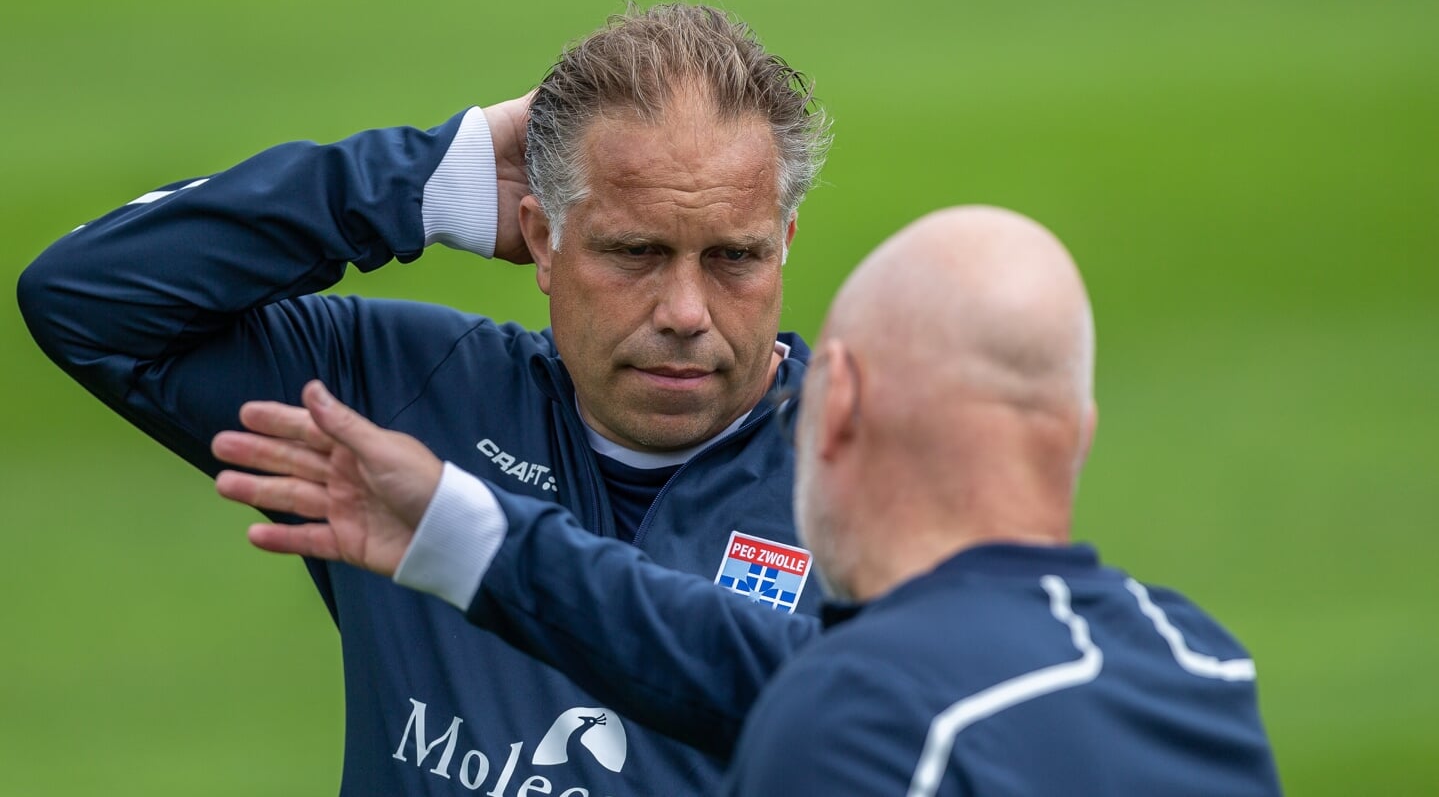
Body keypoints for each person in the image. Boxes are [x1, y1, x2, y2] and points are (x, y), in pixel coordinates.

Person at [18, 3, 832, 795]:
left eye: (734, 256)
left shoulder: (867, 480)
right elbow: (86, 298)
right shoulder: (400, 397)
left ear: (783, 243)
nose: (685, 312)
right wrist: (428, 179)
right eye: (635, 252)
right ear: (543, 238)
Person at [211, 206, 1283, 795]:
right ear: (1077, 432)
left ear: (837, 403)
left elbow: (773, 675)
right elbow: (722, 650)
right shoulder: (1194, 665)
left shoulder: (867, 730)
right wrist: (466, 534)